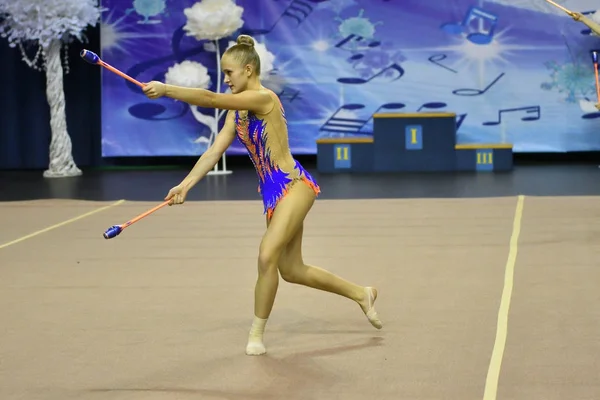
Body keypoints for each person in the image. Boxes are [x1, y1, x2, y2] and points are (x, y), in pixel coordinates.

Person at [142, 34, 382, 356]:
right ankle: (361, 294)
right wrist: (185, 185)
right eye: (224, 73)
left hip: (294, 185)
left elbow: (209, 99)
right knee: (292, 270)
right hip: (271, 195)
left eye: (230, 73)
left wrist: (168, 89)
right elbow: (214, 152)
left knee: (266, 253)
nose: (225, 79)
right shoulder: (237, 112)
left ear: (249, 70)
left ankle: (256, 334)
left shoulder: (263, 98)